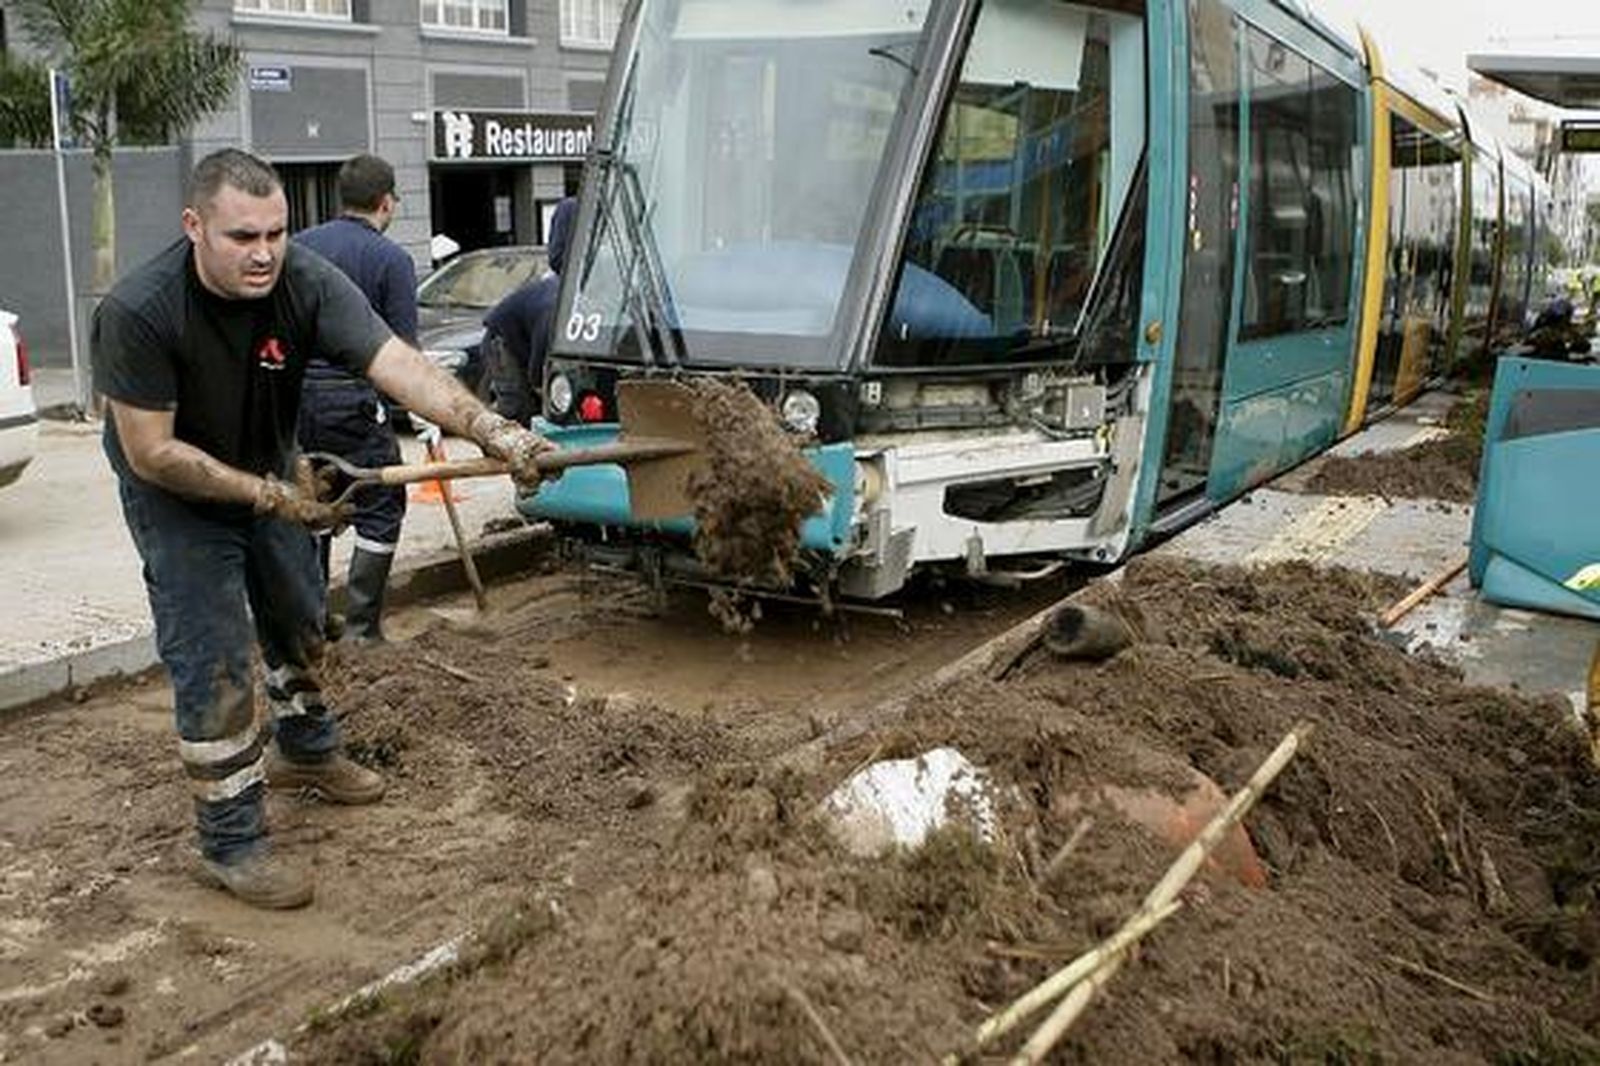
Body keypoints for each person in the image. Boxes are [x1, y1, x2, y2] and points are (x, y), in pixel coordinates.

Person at [91, 148, 552, 910]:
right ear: (194, 226)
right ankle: (232, 840)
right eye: (242, 237)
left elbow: (395, 362)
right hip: (177, 497)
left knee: (302, 616)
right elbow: (152, 451)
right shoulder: (141, 310)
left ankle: (305, 750)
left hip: (270, 468)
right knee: (214, 660)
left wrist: (491, 427)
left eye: (275, 231)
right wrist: (270, 497)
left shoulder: (302, 280)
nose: (264, 252)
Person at [295, 154, 415, 643]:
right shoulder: (392, 260)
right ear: (385, 202)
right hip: (354, 402)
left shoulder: (298, 248)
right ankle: (362, 631)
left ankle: (311, 625)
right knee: (382, 505)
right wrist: (420, 416)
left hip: (297, 402)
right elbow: (403, 355)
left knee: (310, 504)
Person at [481, 196, 577, 424]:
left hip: (527, 331)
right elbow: (538, 369)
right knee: (516, 410)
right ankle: (496, 445)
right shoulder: (557, 305)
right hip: (502, 339)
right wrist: (541, 389)